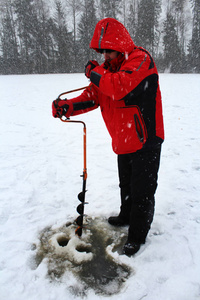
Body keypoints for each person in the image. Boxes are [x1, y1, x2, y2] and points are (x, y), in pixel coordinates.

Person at [52, 18, 164, 256]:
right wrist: (67, 107)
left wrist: (94, 72)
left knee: (142, 190)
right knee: (126, 184)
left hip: (147, 139)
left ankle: (137, 236)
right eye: (102, 52)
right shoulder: (107, 70)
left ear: (121, 46)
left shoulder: (140, 59)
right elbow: (93, 95)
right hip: (124, 140)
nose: (106, 57)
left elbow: (117, 86)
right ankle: (126, 215)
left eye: (109, 52)